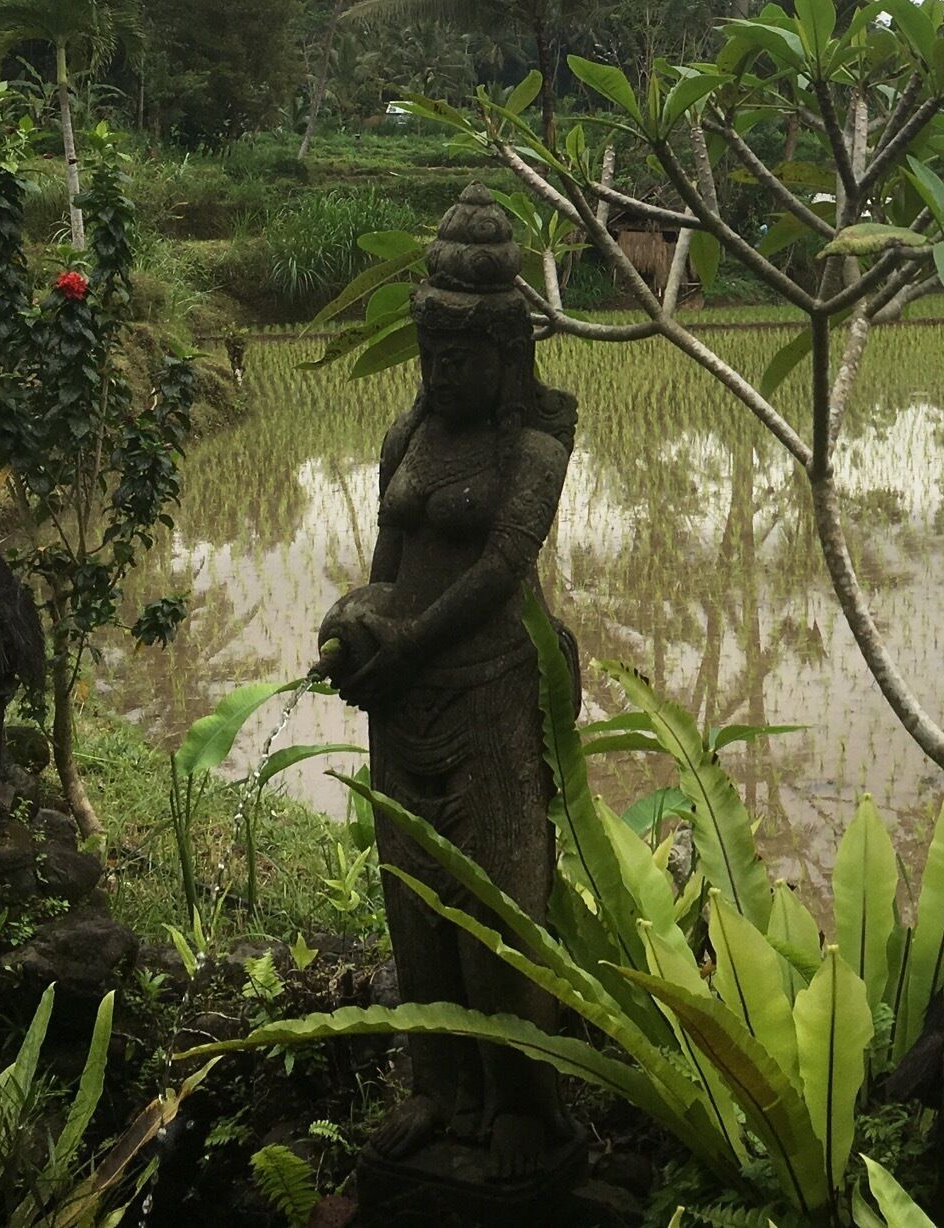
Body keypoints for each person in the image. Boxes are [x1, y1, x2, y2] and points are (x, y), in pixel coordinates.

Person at [317, 184, 577, 1180]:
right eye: (432, 355)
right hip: (404, 700)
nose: (442, 373)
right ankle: (438, 1087)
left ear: (508, 356)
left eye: (462, 357)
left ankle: (523, 1101)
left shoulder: (536, 448)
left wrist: (410, 643)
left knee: (503, 902)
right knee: (414, 901)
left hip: (490, 694)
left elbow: (501, 570)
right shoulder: (407, 439)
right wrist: (354, 626)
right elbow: (385, 569)